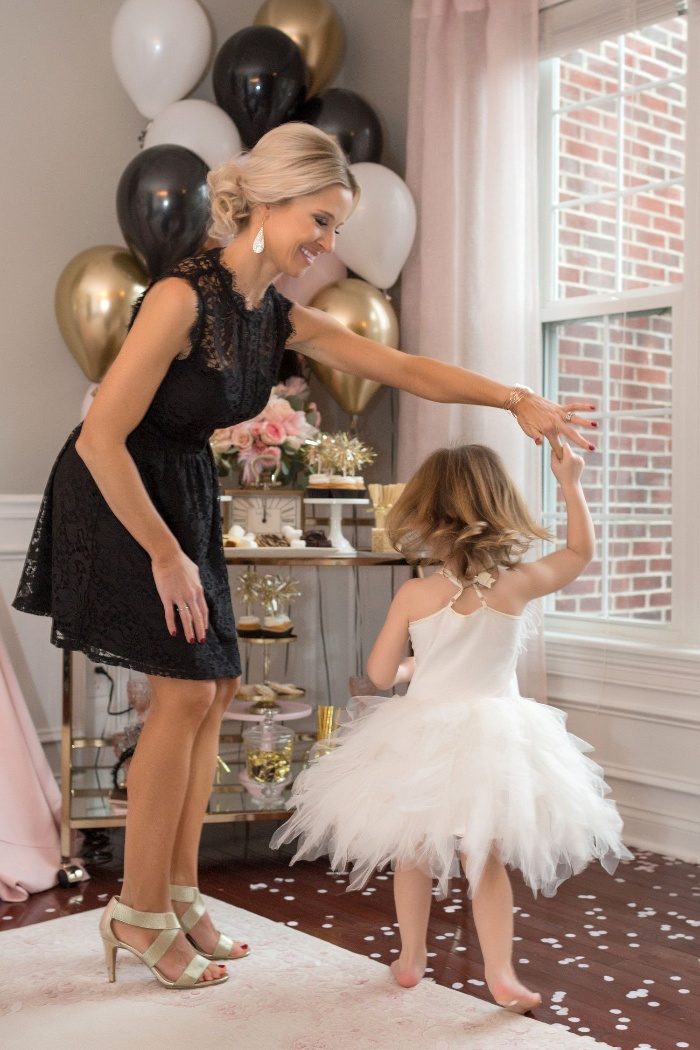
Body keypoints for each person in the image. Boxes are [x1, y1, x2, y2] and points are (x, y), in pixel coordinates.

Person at [14, 123, 597, 990]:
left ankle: (175, 896)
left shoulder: (274, 315)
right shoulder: (181, 297)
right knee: (180, 693)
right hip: (119, 493)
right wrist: (167, 556)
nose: (326, 246)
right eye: (319, 223)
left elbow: (400, 367)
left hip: (182, 486)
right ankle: (135, 916)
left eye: (336, 231)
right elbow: (101, 436)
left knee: (214, 689)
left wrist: (515, 398)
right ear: (268, 200)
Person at [271, 442, 632, 1014]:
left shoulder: (416, 593)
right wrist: (571, 482)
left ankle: (411, 958)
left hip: (421, 735)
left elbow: (380, 673)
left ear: (426, 516)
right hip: (497, 736)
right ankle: (501, 974)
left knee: (412, 850)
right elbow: (579, 552)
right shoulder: (518, 584)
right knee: (483, 858)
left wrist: (419, 664)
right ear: (498, 510)